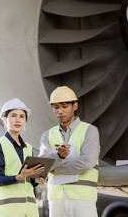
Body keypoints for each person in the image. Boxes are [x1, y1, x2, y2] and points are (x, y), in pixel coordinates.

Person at [39, 86, 100, 217]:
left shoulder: (90, 131)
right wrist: (58, 156)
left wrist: (54, 169)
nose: (60, 111)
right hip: (56, 200)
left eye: (64, 106)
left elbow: (86, 163)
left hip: (83, 198)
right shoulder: (47, 135)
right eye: (56, 107)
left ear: (75, 106)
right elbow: (43, 165)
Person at [0, 98, 47, 217]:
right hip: (7, 211)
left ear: (25, 121)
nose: (18, 120)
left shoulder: (28, 148)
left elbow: (28, 181)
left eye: (22, 116)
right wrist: (19, 176)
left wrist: (37, 180)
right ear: (5, 120)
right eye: (13, 115)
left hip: (28, 211)